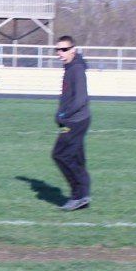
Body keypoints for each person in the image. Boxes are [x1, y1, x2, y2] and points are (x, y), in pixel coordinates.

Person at [52, 35, 91, 211]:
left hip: (75, 121)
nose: (60, 53)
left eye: (64, 49)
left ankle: (79, 194)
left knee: (60, 155)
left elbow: (81, 99)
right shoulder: (70, 66)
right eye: (58, 49)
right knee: (76, 158)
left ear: (73, 50)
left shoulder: (76, 69)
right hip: (74, 119)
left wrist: (64, 115)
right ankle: (82, 195)